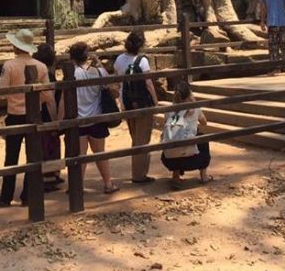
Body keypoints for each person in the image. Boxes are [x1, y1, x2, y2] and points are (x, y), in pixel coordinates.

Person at [0, 29, 55, 208]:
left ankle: (5, 197)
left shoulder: (9, 65)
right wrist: (36, 99)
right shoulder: (41, 67)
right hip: (35, 114)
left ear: (15, 45)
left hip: (14, 114)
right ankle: (28, 195)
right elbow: (48, 95)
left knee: (11, 158)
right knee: (33, 156)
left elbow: (2, 90)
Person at [61, 42, 119, 194]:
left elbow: (63, 100)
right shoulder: (98, 72)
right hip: (96, 118)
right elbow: (108, 85)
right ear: (86, 56)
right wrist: (98, 63)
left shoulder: (70, 73)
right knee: (100, 153)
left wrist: (60, 121)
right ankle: (108, 183)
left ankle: (77, 185)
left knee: (80, 155)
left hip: (78, 119)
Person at [113, 31, 159, 184]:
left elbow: (117, 81)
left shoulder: (119, 59)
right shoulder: (142, 61)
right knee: (142, 139)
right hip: (142, 105)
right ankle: (139, 174)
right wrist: (155, 101)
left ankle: (139, 171)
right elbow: (148, 83)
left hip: (126, 103)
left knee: (135, 137)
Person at [160, 81, 212, 189]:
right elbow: (204, 122)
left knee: (172, 137)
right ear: (189, 94)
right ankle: (204, 176)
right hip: (193, 160)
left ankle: (176, 176)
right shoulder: (195, 109)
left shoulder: (170, 111)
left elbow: (166, 127)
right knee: (202, 137)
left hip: (170, 160)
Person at [32, 43, 63, 191]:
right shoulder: (48, 75)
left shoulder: (33, 72)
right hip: (47, 113)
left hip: (36, 113)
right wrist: (55, 118)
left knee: (43, 146)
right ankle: (50, 177)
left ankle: (51, 174)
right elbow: (50, 99)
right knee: (50, 145)